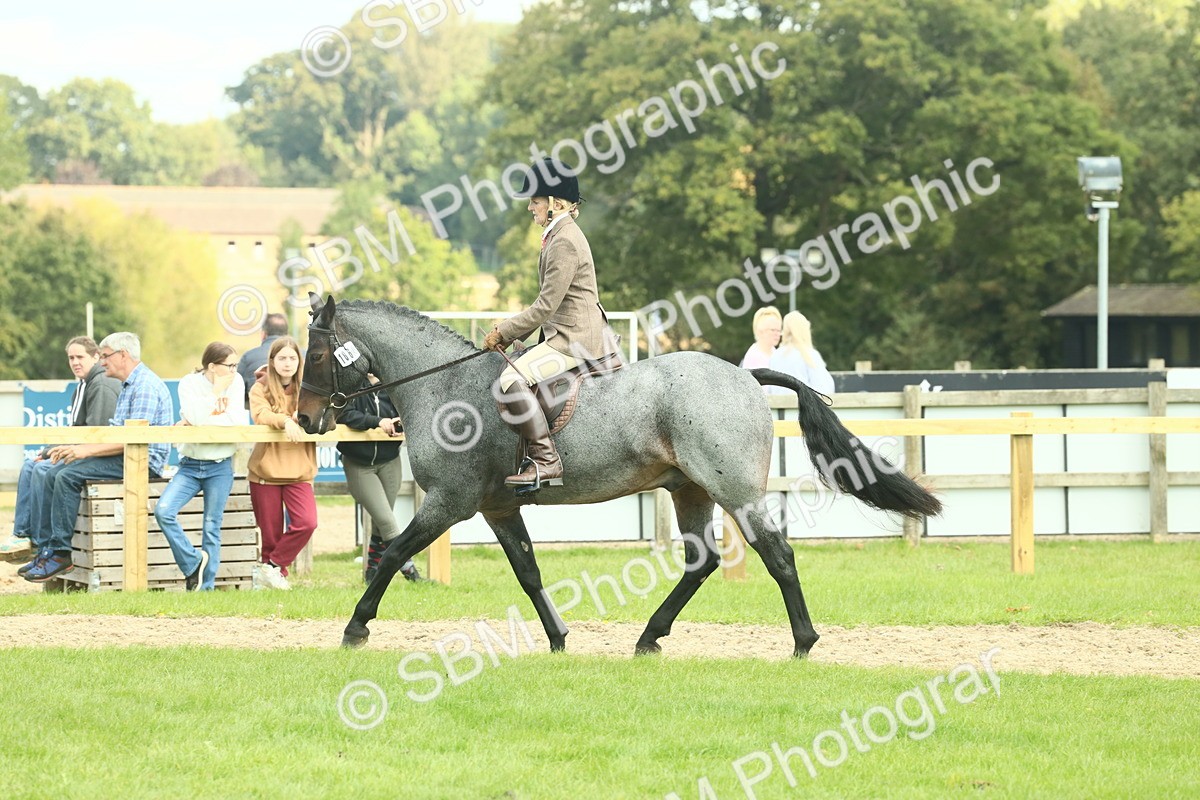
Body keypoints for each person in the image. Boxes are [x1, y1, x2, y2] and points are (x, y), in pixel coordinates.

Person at [482, 157, 619, 491]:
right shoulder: (558, 235)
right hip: (568, 331)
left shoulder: (564, 241)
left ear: (555, 203)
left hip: (576, 338)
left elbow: (545, 305)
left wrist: (504, 331)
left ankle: (546, 460)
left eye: (536, 201)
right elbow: (547, 302)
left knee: (511, 378)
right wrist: (515, 336)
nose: (530, 207)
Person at [23, 332, 174, 582]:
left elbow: (132, 439)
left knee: (66, 475)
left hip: (142, 463)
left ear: (123, 355)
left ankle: (61, 554)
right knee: (54, 471)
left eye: (105, 356)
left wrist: (84, 450)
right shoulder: (129, 384)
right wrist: (74, 447)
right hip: (128, 456)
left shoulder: (144, 386)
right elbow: (115, 433)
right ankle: (49, 550)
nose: (102, 362)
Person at [3, 336, 121, 560]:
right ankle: (23, 536)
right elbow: (75, 431)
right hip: (82, 447)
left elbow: (96, 434)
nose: (75, 362)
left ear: (95, 357)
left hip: (97, 454)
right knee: (30, 465)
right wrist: (48, 450)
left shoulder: (101, 385)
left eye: (80, 357)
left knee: (41, 469)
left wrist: (54, 452)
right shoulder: (82, 386)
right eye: (71, 358)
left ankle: (41, 543)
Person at [154, 342, 249, 591]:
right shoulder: (189, 383)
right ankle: (193, 563)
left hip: (220, 465)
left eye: (236, 365)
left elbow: (239, 421)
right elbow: (196, 418)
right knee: (163, 511)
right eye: (230, 365)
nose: (234, 370)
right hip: (190, 465)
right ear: (212, 366)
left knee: (211, 525)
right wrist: (214, 394)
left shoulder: (236, 382)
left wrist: (199, 421)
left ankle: (205, 587)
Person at [336, 375, 422, 583]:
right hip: (359, 464)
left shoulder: (393, 384)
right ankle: (409, 571)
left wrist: (400, 422)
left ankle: (372, 571)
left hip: (390, 461)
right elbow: (344, 415)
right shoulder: (350, 385)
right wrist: (378, 422)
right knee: (386, 521)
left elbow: (410, 411)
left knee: (379, 522)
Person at [248, 336, 317, 590]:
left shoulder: (310, 388)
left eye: (292, 358)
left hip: (299, 469)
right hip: (265, 471)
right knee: (270, 534)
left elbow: (323, 411)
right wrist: (286, 420)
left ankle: (271, 568)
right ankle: (273, 580)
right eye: (282, 358)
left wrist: (304, 415)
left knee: (307, 522)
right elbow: (260, 414)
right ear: (272, 361)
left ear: (300, 361)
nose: (287, 363)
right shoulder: (260, 388)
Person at [767, 311, 836, 396]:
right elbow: (825, 389)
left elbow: (770, 389)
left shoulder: (775, 356)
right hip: (804, 403)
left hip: (779, 404)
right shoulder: (810, 355)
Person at [237, 313, 288, 403]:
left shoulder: (248, 357)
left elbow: (238, 388)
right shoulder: (302, 356)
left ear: (263, 334)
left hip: (254, 407)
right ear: (287, 335)